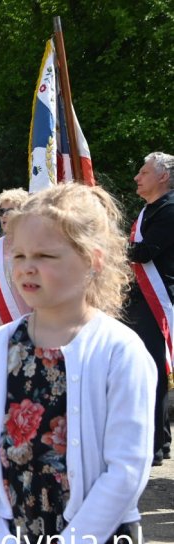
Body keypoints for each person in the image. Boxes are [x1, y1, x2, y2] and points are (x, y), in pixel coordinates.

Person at [0, 183, 157, 544]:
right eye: (18, 255)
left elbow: (126, 468)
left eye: (46, 256)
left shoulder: (119, 351)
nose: (27, 267)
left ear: (92, 260)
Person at [125, 151, 174, 467]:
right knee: (144, 371)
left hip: (156, 303)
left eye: (143, 172)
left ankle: (156, 443)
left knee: (152, 371)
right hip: (140, 302)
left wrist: (107, 245)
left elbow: (144, 252)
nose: (136, 177)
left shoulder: (169, 211)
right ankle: (158, 439)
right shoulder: (149, 211)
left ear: (163, 176)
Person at [0, 188, 31, 332]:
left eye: (8, 211)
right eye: (1, 211)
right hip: (0, 324)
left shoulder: (33, 244)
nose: (3, 216)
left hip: (30, 322)